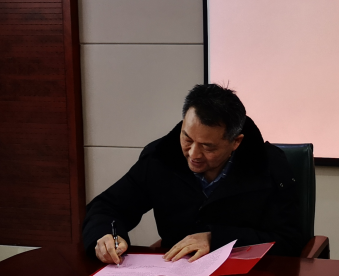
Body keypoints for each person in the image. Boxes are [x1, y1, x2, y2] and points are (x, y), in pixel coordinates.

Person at [82, 83, 307, 264]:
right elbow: (107, 207)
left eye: (208, 147)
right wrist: (105, 236)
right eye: (187, 139)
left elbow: (289, 241)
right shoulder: (161, 158)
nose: (193, 154)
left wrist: (217, 239)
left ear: (235, 142)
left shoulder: (268, 166)